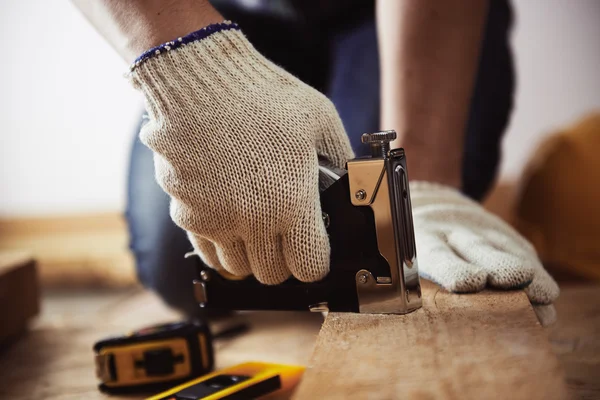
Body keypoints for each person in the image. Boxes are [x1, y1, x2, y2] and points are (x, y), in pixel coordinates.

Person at [72, 0, 559, 320]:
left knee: (393, 247)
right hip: (220, 12)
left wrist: (421, 183)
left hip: (386, 17)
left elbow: (403, 198)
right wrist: (188, 64)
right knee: (184, 270)